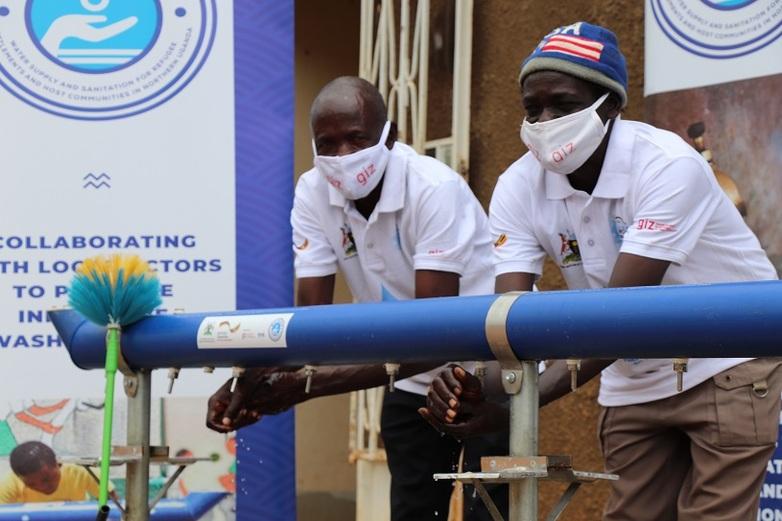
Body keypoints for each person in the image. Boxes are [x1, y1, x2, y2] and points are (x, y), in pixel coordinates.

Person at [420, 22, 782, 521]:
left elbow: (621, 313)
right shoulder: (518, 185)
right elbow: (508, 318)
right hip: (631, 377)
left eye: (563, 105)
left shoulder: (667, 164)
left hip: (726, 363)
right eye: (533, 108)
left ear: (611, 106)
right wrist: (473, 384)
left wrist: (521, 406)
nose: (544, 121)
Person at [206, 76, 507, 520]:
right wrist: (248, 384)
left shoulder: (433, 188)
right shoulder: (312, 193)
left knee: (493, 513)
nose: (343, 156)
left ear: (391, 136)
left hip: (488, 368)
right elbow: (309, 323)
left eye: (356, 139)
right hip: (407, 379)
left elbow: (433, 334)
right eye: (327, 144)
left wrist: (306, 386)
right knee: (413, 511)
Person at [0, 441, 116, 504]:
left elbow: (115, 507)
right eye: (31, 485)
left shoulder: (84, 471)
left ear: (58, 464)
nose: (42, 487)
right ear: (19, 478)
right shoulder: (9, 484)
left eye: (47, 479)